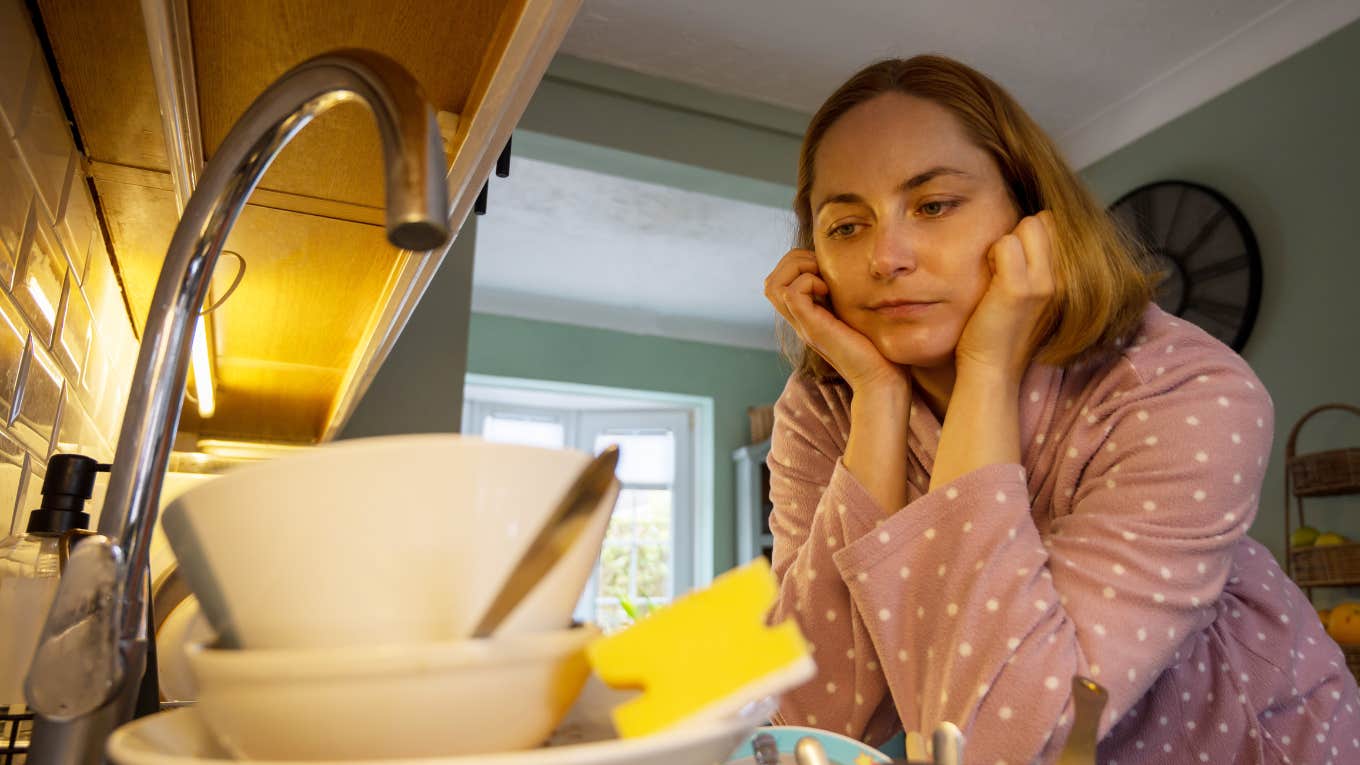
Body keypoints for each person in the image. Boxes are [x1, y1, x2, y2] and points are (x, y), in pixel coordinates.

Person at [762, 54, 1358, 764]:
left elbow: (1002, 741)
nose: (886, 256)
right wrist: (880, 402)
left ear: (1031, 217)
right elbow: (807, 718)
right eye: (847, 225)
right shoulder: (826, 408)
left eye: (933, 205)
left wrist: (986, 370)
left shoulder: (1181, 391)